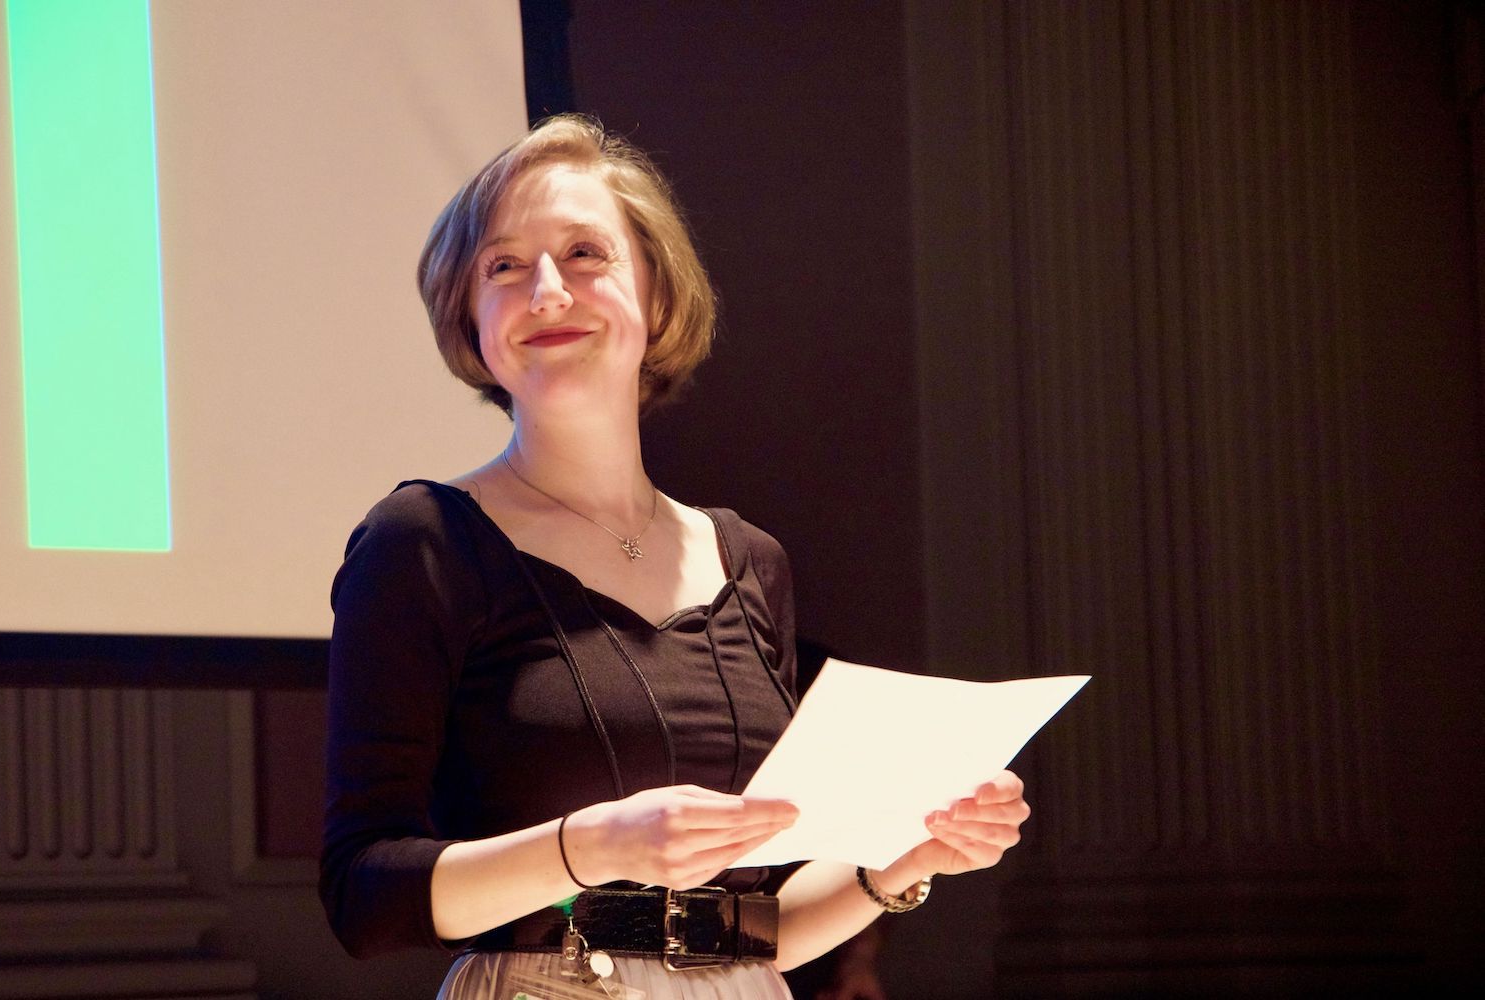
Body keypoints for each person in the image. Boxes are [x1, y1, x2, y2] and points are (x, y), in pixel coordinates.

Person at [320, 114, 1030, 1000]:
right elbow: (362, 894)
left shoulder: (750, 561)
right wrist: (591, 848)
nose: (547, 291)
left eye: (586, 254)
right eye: (504, 266)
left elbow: (760, 935)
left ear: (657, 297)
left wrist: (902, 860)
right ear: (470, 315)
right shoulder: (422, 541)